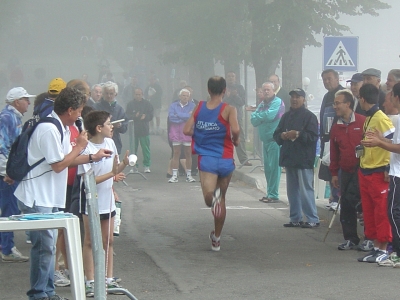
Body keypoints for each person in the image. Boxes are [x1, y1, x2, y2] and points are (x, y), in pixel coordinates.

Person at [14, 87, 111, 300]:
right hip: (37, 195)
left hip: (49, 195)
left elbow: (66, 159)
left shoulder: (63, 126)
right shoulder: (49, 128)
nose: (80, 116)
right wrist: (80, 146)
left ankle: (47, 292)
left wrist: (93, 157)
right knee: (44, 247)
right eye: (79, 111)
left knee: (47, 248)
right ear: (69, 110)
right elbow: (59, 165)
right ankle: (39, 294)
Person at [183, 76, 240, 251]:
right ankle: (216, 237)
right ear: (224, 90)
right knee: (221, 199)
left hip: (207, 159)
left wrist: (200, 132)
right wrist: (235, 141)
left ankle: (213, 198)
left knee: (211, 199)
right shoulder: (229, 109)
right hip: (226, 159)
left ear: (208, 90)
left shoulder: (199, 107)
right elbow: (236, 129)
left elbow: (186, 130)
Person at [79, 110, 129, 297]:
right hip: (91, 201)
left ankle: (108, 279)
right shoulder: (86, 149)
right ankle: (90, 281)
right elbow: (88, 181)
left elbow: (114, 169)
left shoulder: (110, 142)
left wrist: (123, 164)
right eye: (109, 123)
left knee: (109, 240)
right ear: (98, 128)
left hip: (108, 198)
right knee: (91, 241)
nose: (112, 126)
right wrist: (111, 175)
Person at [356, 83, 394, 263]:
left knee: (380, 211)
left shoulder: (381, 118)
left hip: (379, 170)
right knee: (369, 210)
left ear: (362, 99)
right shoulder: (368, 118)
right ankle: (375, 245)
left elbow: (392, 142)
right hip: (366, 169)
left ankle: (384, 246)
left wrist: (387, 167)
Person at [273, 88, 320, 228]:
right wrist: (282, 136)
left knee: (306, 189)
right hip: (289, 157)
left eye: (298, 97)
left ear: (304, 99)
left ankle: (312, 218)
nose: (294, 99)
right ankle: (295, 218)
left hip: (304, 159)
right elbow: (276, 134)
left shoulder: (310, 117)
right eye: (292, 97)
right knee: (292, 190)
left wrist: (298, 134)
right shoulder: (286, 116)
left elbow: (313, 137)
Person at [0, 87, 34, 263]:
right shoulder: (7, 118)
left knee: (10, 207)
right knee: (9, 209)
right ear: (16, 102)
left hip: (8, 171)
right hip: (6, 173)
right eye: (25, 99)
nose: (29, 102)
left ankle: (5, 244)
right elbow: (2, 146)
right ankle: (7, 248)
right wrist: (7, 171)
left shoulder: (12, 117)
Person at [329, 89, 366, 250]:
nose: (335, 106)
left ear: (348, 104)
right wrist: (334, 173)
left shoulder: (363, 121)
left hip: (362, 169)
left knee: (357, 201)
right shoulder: (336, 126)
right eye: (334, 103)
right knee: (345, 204)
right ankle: (351, 238)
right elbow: (334, 152)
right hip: (344, 171)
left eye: (338, 103)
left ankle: (371, 237)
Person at [251, 82, 285, 203]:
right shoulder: (262, 104)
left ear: (273, 90)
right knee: (267, 169)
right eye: (264, 89)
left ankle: (274, 194)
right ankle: (269, 193)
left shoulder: (277, 102)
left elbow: (271, 116)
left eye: (268, 90)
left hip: (275, 140)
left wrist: (259, 117)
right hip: (265, 141)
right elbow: (252, 120)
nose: (266, 92)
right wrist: (261, 116)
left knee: (274, 168)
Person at [319, 69, 344, 211]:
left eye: (329, 79)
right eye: (324, 80)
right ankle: (333, 197)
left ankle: (337, 197)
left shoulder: (343, 94)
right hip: (326, 138)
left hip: (337, 138)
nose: (327, 82)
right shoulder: (326, 96)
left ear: (337, 78)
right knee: (329, 167)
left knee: (337, 168)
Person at [168, 89, 196, 183]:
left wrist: (178, 115)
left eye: (187, 96)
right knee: (176, 154)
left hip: (187, 132)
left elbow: (192, 117)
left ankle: (189, 175)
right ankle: (174, 175)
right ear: (179, 96)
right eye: (183, 95)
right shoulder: (173, 105)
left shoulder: (193, 106)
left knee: (188, 154)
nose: (185, 97)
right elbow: (171, 117)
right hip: (175, 133)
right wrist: (184, 117)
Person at [94, 81, 128, 154]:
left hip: (115, 144)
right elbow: (91, 125)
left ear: (116, 94)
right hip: (98, 144)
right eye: (106, 93)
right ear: (103, 94)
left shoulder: (120, 109)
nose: (109, 96)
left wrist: (119, 125)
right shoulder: (96, 107)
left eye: (111, 93)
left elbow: (124, 129)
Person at [125, 88, 154, 173]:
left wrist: (145, 116)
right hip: (133, 130)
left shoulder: (147, 104)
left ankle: (147, 165)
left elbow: (151, 115)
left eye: (139, 94)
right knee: (133, 149)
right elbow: (127, 115)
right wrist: (135, 116)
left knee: (146, 149)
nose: (138, 96)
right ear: (134, 95)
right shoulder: (130, 104)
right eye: (136, 94)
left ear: (142, 95)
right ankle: (133, 165)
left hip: (144, 130)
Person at [226, 71, 250, 166]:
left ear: (235, 78)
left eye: (232, 76)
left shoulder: (240, 88)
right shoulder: (222, 88)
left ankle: (244, 159)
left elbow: (242, 102)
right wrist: (228, 97)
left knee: (240, 137)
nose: (231, 78)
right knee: (226, 138)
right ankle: (229, 159)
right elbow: (220, 102)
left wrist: (235, 95)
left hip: (237, 117)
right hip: (225, 117)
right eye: (229, 76)